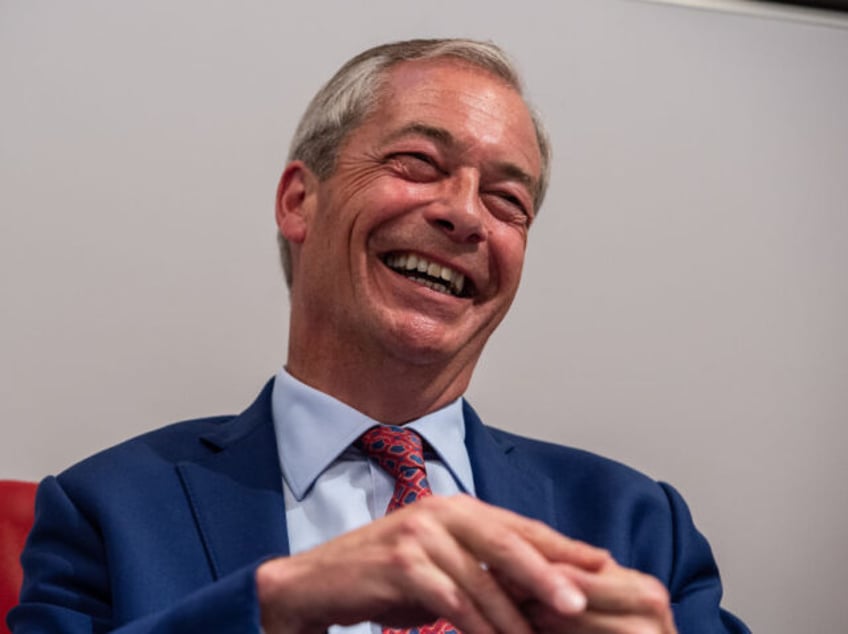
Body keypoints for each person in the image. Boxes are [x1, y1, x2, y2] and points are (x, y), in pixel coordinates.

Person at [9, 39, 749, 634]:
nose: (465, 216)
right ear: (300, 201)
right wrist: (276, 607)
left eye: (507, 199)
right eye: (419, 164)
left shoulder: (638, 523)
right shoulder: (107, 509)